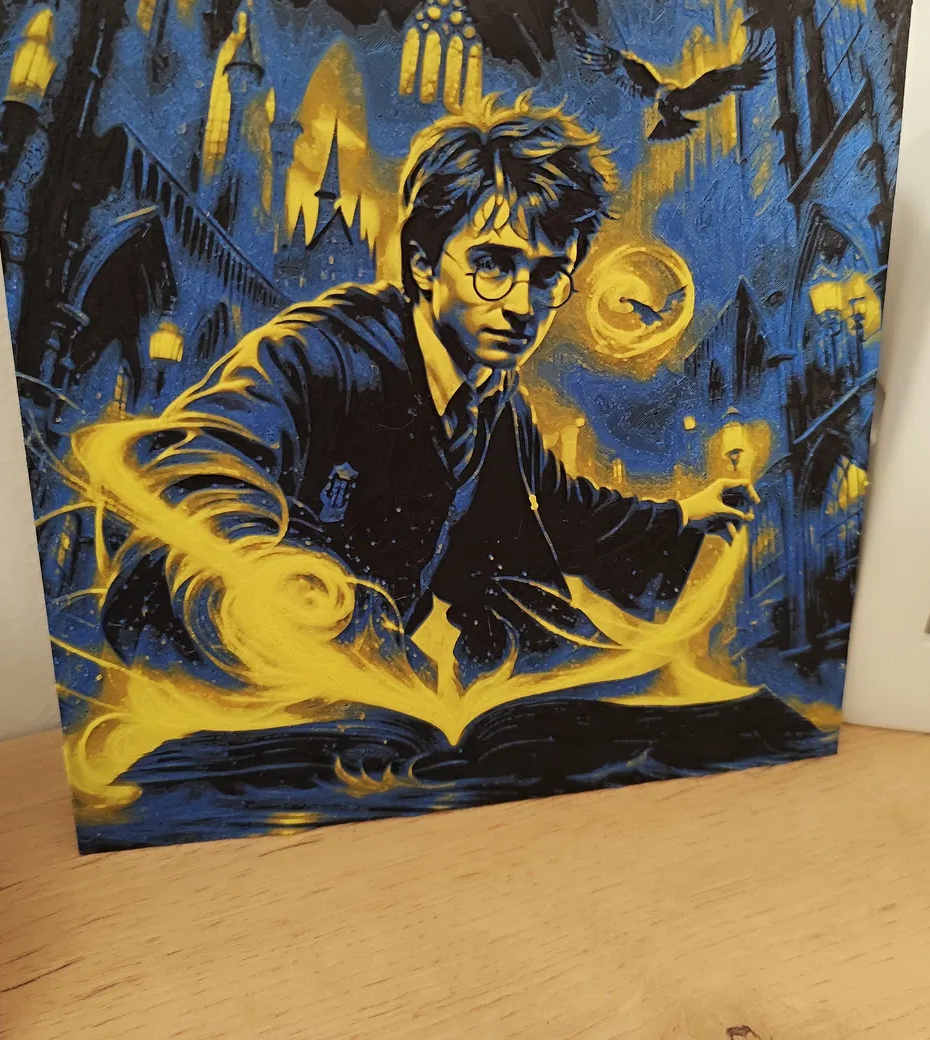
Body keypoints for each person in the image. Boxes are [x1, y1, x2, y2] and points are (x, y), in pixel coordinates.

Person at [99, 94, 758, 685]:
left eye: (547, 275)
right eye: (492, 264)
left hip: (378, 701)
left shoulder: (496, 403)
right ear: (421, 262)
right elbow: (199, 469)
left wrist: (683, 516)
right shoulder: (321, 353)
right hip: (249, 685)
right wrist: (297, 594)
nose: (521, 305)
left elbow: (563, 510)